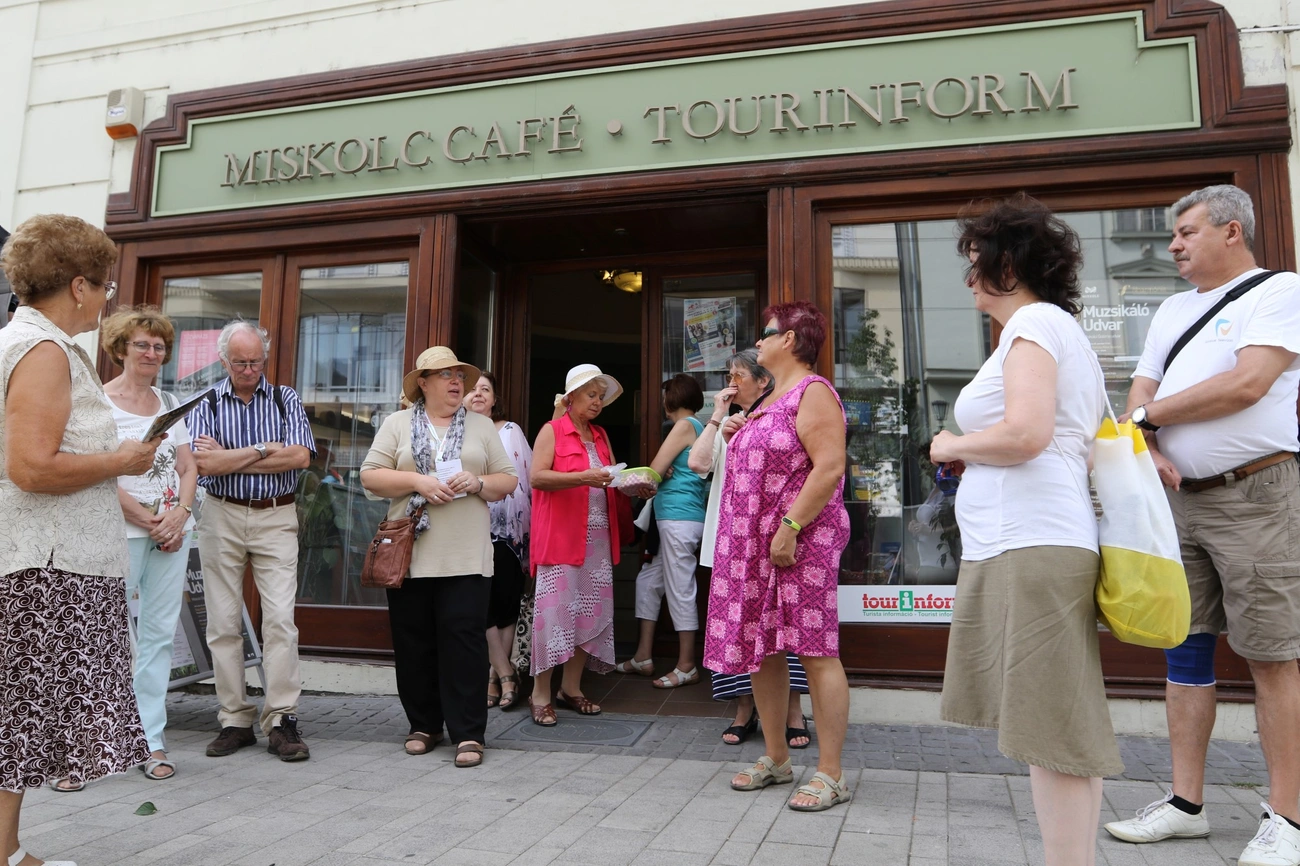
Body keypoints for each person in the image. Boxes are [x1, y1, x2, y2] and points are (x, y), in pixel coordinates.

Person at [1103, 185, 1300, 866]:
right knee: (1184, 650)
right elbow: (1142, 386)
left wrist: (1150, 422)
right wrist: (1148, 445)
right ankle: (1187, 805)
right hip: (1178, 502)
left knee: (1272, 653)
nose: (1174, 247)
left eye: (1186, 232)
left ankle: (1288, 819)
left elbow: (1248, 384)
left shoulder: (1277, 293)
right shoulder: (1172, 308)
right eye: (1173, 236)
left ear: (1232, 231)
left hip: (1254, 495)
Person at [931, 194, 1120, 864]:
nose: (968, 279)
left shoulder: (1033, 327)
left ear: (1006, 265)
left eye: (976, 261)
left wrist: (951, 444)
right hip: (1038, 538)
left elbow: (1027, 434)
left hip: (1032, 540)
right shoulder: (1056, 329)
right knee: (1058, 725)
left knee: (1052, 731)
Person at [0, 214, 157, 866]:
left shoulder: (29, 341)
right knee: (20, 722)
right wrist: (121, 462)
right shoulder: (44, 351)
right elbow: (31, 468)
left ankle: (7, 853)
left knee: (22, 722)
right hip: (47, 566)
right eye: (105, 285)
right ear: (77, 284)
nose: (109, 297)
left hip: (45, 562)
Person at [703, 301, 852, 812]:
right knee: (762, 650)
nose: (759, 341)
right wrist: (735, 433)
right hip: (754, 547)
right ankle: (776, 758)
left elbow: (829, 467)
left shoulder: (813, 392)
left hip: (797, 544)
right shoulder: (771, 397)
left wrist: (790, 527)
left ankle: (831, 774)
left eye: (766, 333)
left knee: (814, 650)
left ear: (789, 340)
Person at [361, 348, 518, 768]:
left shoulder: (482, 426)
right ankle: (424, 725)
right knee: (414, 642)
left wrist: (479, 480)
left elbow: (508, 481)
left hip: (467, 555)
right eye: (444, 375)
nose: (455, 383)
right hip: (410, 555)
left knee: (464, 643)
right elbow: (370, 476)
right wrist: (418, 481)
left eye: (459, 376)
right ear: (423, 384)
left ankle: (469, 732)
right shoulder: (396, 424)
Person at [187, 320, 315, 762]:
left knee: (280, 619)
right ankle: (234, 720)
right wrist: (263, 450)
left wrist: (231, 457)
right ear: (224, 361)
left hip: (276, 514)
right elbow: (203, 464)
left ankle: (281, 719)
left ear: (265, 357)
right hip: (220, 514)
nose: (249, 370)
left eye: (256, 361)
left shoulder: (286, 397)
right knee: (222, 622)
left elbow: (299, 455)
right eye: (240, 363)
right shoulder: (206, 400)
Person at [687, 349, 811, 748]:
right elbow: (697, 463)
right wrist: (717, 416)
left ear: (763, 381)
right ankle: (744, 707)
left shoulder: (772, 418)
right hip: (727, 539)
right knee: (734, 622)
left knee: (778, 622)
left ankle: (793, 709)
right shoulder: (729, 420)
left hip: (766, 537)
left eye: (740, 375)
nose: (732, 381)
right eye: (729, 374)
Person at [102, 306, 198, 783]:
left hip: (172, 533)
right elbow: (98, 477)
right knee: (107, 641)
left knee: (159, 637)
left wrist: (179, 514)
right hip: (121, 532)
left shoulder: (169, 402)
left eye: (159, 346)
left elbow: (187, 467)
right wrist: (148, 520)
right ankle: (96, 746)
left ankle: (150, 740)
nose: (152, 353)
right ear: (120, 348)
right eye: (142, 344)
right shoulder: (98, 404)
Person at [528, 364, 629, 726]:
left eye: (601, 396)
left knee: (589, 614)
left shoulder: (600, 435)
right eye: (591, 395)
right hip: (561, 537)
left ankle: (570, 688)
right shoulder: (552, 430)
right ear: (570, 398)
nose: (598, 402)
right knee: (554, 615)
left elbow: (612, 478)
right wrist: (582, 476)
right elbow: (537, 477)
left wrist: (634, 484)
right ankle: (540, 693)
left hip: (598, 539)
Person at [615, 374, 709, 688]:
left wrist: (618, 478)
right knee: (648, 580)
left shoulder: (683, 426)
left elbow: (653, 469)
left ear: (671, 399)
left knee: (680, 587)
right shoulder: (700, 427)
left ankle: (686, 665)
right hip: (684, 516)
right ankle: (643, 656)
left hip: (678, 518)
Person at [464, 371, 532, 711]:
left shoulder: (509, 431)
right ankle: (507, 673)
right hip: (466, 529)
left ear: (494, 400)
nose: (478, 394)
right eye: (472, 389)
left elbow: (525, 483)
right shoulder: (456, 433)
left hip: (507, 533)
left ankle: (494, 677)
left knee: (505, 608)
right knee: (482, 606)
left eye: (485, 389)